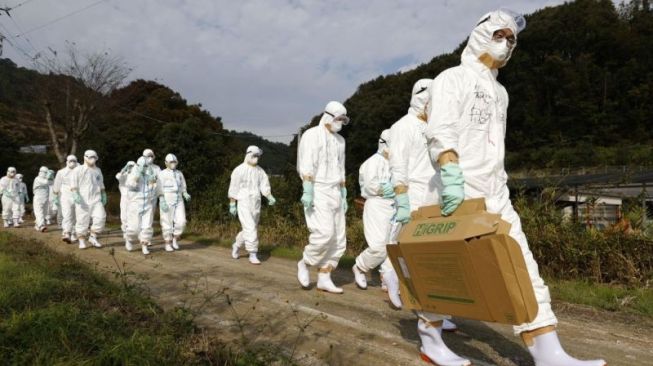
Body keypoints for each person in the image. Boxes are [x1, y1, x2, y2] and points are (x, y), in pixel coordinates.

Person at [421, 9, 605, 366]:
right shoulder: (451, 78)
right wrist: (451, 175)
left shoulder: (501, 93)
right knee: (447, 273)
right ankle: (430, 337)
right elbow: (439, 130)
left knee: (521, 265)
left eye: (511, 39)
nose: (505, 44)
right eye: (499, 35)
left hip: (496, 192)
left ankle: (548, 351)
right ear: (480, 35)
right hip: (456, 189)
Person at [387, 79, 458, 330]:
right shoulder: (403, 127)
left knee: (435, 259)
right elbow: (398, 166)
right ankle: (421, 310)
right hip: (415, 197)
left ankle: (435, 311)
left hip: (436, 199)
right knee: (415, 260)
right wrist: (402, 200)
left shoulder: (437, 128)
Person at [296, 101, 349, 293]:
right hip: (318, 189)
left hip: (335, 190)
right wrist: (307, 189)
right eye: (338, 118)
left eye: (343, 119)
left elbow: (341, 167)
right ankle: (305, 262)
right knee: (324, 233)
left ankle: (324, 277)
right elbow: (306, 162)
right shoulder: (312, 135)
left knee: (338, 238)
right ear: (327, 116)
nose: (340, 122)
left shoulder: (341, 141)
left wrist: (343, 192)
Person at [352, 130, 397, 293]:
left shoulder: (395, 163)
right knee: (379, 246)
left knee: (392, 245)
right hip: (377, 205)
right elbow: (371, 187)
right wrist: (390, 188)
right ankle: (360, 266)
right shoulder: (372, 163)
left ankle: (387, 278)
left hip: (394, 206)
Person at [228, 146, 275, 264]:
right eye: (254, 156)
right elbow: (234, 187)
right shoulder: (239, 170)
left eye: (258, 156)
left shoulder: (260, 171)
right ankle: (253, 253)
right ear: (248, 155)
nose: (256, 158)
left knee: (250, 228)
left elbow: (264, 185)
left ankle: (236, 245)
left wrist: (269, 196)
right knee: (250, 228)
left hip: (256, 202)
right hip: (243, 201)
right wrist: (232, 203)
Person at [70, 150, 107, 249]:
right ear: (85, 157)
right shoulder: (78, 170)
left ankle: (93, 237)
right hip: (83, 200)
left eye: (94, 158)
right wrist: (75, 193)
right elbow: (73, 183)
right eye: (91, 157)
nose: (93, 160)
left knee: (101, 217)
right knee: (82, 220)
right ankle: (81, 240)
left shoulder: (97, 170)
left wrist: (103, 193)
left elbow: (101, 183)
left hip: (96, 199)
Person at [126, 155, 159, 254]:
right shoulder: (132, 174)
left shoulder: (148, 175)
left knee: (147, 226)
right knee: (134, 227)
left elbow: (153, 188)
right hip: (136, 204)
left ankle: (144, 245)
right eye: (143, 166)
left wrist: (153, 180)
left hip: (147, 204)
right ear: (139, 165)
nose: (145, 168)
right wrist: (137, 176)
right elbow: (131, 185)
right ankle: (129, 239)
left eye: (146, 166)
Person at [158, 154, 191, 252]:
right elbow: (159, 188)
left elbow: (183, 185)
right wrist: (162, 199)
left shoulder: (179, 173)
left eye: (174, 162)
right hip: (167, 199)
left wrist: (185, 192)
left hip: (179, 199)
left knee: (182, 221)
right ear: (166, 163)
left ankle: (175, 239)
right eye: (171, 162)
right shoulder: (162, 174)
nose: (173, 164)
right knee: (167, 221)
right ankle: (167, 242)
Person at [54, 155, 79, 243]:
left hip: (78, 195)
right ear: (67, 162)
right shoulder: (61, 172)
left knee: (76, 215)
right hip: (65, 196)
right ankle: (66, 232)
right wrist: (55, 197)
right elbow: (56, 185)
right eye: (70, 161)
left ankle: (74, 233)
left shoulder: (81, 170)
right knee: (67, 214)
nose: (72, 163)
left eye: (74, 161)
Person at [116, 161, 136, 248]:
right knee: (124, 216)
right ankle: (125, 231)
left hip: (134, 199)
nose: (131, 168)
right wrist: (123, 170)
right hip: (124, 198)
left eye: (132, 166)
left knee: (133, 217)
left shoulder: (136, 176)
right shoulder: (123, 175)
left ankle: (131, 234)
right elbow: (118, 177)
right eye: (129, 166)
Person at [32, 166, 51, 232]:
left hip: (45, 198)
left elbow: (51, 183)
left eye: (47, 173)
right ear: (41, 172)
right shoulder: (37, 178)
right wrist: (49, 176)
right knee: (39, 212)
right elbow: (45, 182)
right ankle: (42, 225)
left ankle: (37, 225)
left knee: (44, 213)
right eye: (45, 172)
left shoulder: (46, 179)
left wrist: (51, 176)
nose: (46, 174)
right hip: (38, 197)